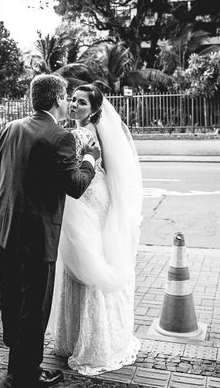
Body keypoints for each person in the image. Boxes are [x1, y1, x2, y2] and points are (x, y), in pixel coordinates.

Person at [0, 74, 100, 388]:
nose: (68, 102)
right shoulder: (61, 137)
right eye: (66, 96)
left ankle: (17, 360)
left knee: (12, 299)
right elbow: (76, 186)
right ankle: (28, 372)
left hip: (4, 230)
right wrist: (90, 160)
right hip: (38, 236)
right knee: (35, 306)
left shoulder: (10, 127)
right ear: (57, 100)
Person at [50, 83, 142, 376]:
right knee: (91, 257)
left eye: (82, 103)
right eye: (73, 100)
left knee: (83, 261)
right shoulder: (100, 132)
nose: (75, 105)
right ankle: (96, 338)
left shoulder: (79, 134)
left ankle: (88, 343)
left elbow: (68, 172)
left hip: (86, 199)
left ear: (94, 109)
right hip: (98, 194)